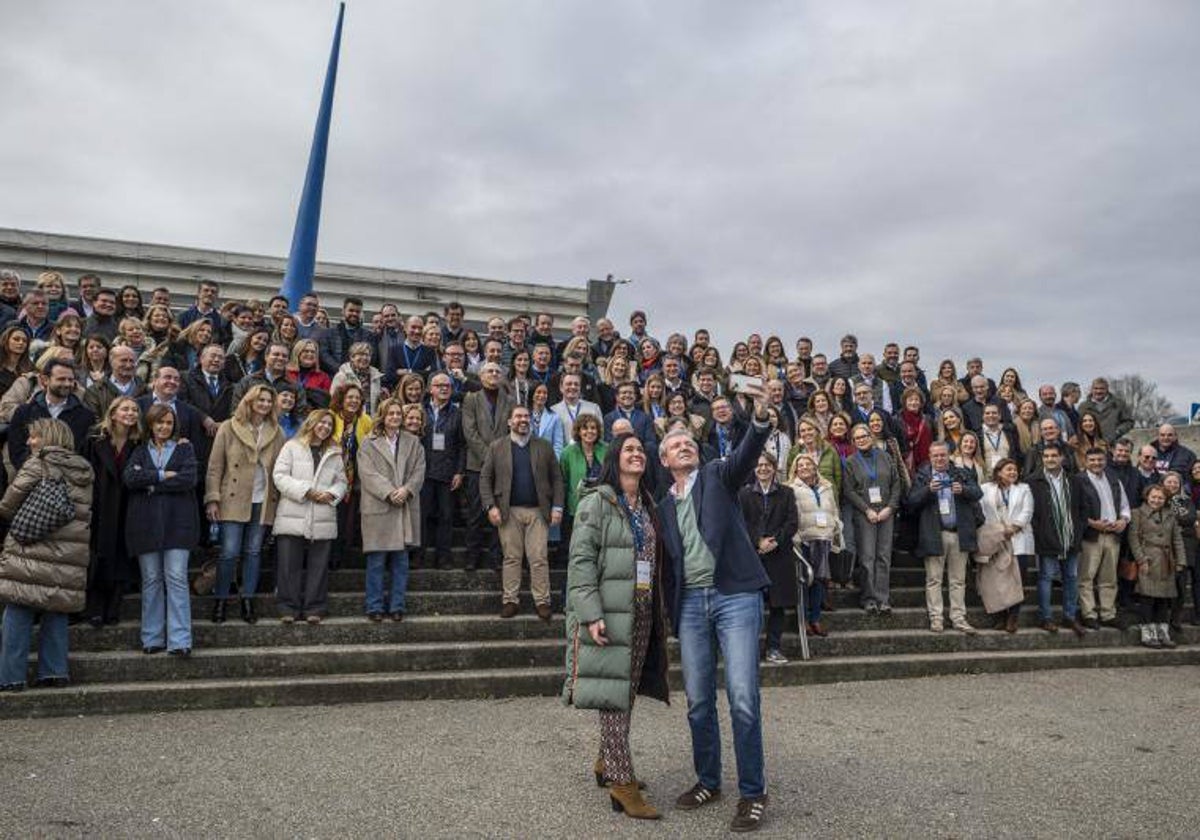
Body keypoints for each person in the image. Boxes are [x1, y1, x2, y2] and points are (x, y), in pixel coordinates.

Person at [657, 381, 771, 832]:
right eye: (674, 445)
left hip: (734, 596)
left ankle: (753, 792)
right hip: (690, 606)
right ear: (663, 461)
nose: (683, 446)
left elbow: (746, 453)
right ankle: (708, 780)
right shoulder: (663, 505)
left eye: (688, 442)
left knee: (743, 698)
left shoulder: (719, 476)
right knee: (699, 701)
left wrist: (759, 418)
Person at [562, 432, 670, 820]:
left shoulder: (647, 504)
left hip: (641, 610)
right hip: (607, 613)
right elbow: (581, 562)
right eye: (629, 449)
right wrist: (590, 614)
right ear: (615, 459)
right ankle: (622, 783)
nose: (637, 454)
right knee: (613, 696)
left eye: (641, 450)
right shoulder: (597, 502)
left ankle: (607, 760)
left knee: (624, 693)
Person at [0, 418, 94, 691]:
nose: (29, 442)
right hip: (69, 554)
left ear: (48, 437)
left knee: (18, 610)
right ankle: (54, 673)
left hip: (30, 549)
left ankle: (11, 677)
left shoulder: (37, 463)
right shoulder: (84, 469)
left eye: (34, 437)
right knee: (57, 610)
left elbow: (8, 504)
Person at [123, 404, 199, 656]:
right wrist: (162, 476)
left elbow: (188, 479)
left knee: (176, 578)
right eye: (160, 422)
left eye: (169, 423)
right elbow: (130, 479)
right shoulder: (138, 450)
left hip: (178, 524)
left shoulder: (184, 448)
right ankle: (152, 638)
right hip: (145, 524)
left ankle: (180, 640)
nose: (164, 427)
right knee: (152, 580)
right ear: (151, 424)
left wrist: (152, 482)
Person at [205, 385, 285, 624]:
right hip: (232, 497)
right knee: (229, 552)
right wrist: (212, 498)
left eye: (269, 401)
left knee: (253, 552)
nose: (264, 404)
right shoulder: (229, 427)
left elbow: (281, 466)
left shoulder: (276, 431)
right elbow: (215, 466)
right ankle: (220, 600)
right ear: (249, 401)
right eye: (260, 400)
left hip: (263, 499)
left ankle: (247, 600)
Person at [480, 404, 564, 620]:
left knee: (538, 558)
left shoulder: (543, 447)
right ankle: (510, 600)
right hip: (508, 511)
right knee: (511, 558)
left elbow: (556, 478)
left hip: (538, 511)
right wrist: (490, 506)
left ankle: (542, 601)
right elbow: (485, 479)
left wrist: (557, 506)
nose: (523, 420)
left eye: (526, 416)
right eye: (518, 416)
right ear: (509, 421)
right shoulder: (497, 447)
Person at [272, 409, 347, 624]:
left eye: (329, 425)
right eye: (321, 422)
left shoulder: (334, 452)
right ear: (311, 423)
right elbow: (279, 476)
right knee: (288, 563)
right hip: (293, 513)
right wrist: (306, 491)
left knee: (319, 564)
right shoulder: (292, 446)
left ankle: (315, 607)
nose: (325, 427)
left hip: (323, 513)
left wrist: (332, 493)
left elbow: (342, 481)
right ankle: (288, 607)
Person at [358, 397, 425, 621]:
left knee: (401, 562)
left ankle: (397, 606)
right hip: (379, 505)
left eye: (398, 414)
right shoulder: (369, 442)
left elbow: (419, 470)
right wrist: (389, 492)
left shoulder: (413, 442)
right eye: (391, 414)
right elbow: (367, 474)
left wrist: (406, 490)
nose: (395, 417)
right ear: (383, 416)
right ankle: (374, 607)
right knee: (376, 562)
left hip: (404, 505)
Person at [908, 441, 982, 634]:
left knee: (958, 580)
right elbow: (911, 501)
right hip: (934, 534)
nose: (939, 459)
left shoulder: (960, 473)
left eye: (943, 455)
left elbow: (978, 493)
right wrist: (927, 490)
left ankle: (958, 618)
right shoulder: (923, 476)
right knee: (934, 579)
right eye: (935, 456)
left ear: (948, 456)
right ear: (930, 458)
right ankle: (936, 618)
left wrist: (963, 490)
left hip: (959, 533)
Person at [84, 396, 141, 627]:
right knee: (99, 555)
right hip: (100, 505)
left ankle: (114, 607)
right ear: (114, 412)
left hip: (128, 506)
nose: (131, 413)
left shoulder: (139, 443)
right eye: (125, 409)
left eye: (135, 410)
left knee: (121, 557)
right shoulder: (94, 439)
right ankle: (95, 608)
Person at [738, 452, 798, 665]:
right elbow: (740, 523)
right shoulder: (743, 494)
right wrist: (757, 542)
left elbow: (792, 523)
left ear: (774, 468)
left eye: (767, 465)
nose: (762, 468)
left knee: (777, 606)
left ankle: (773, 648)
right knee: (750, 606)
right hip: (752, 557)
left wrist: (774, 542)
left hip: (779, 556)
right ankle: (750, 650)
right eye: (759, 465)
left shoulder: (787, 493)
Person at [844, 422, 903, 615]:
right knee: (867, 557)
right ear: (853, 441)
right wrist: (866, 509)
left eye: (864, 436)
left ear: (871, 436)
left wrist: (890, 507)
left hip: (886, 512)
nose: (861, 440)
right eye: (857, 438)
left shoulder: (885, 457)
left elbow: (896, 484)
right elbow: (849, 490)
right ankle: (868, 598)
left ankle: (883, 599)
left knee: (883, 557)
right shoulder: (851, 461)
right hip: (864, 514)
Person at [461, 362, 516, 570]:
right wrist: (489, 458)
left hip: (503, 465)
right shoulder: (471, 399)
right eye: (489, 371)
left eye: (497, 372)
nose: (494, 374)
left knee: (500, 513)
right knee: (476, 513)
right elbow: (469, 432)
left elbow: (514, 430)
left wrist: (498, 459)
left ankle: (497, 557)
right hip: (477, 465)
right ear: (481, 376)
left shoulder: (510, 401)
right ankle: (471, 557)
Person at [1028, 443, 1086, 636]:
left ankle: (1069, 616)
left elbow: (1082, 509)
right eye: (1046, 456)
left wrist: (1078, 532)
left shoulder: (1074, 480)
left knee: (1071, 577)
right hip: (1047, 538)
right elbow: (1032, 514)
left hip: (1070, 537)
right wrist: (1040, 533)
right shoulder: (1033, 481)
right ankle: (1046, 617)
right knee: (1046, 578)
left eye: (1054, 455)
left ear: (1062, 458)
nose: (1050, 459)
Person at [789, 453, 842, 639]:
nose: (804, 467)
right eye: (800, 465)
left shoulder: (827, 487)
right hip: (803, 540)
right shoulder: (791, 488)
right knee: (804, 581)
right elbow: (791, 516)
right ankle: (802, 620)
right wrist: (795, 538)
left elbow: (834, 510)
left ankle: (815, 619)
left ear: (814, 467)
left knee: (820, 580)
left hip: (824, 539)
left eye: (807, 464)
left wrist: (835, 527)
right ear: (795, 469)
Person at [1078, 447, 1131, 630]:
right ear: (1085, 461)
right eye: (1092, 460)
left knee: (1109, 578)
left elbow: (1124, 504)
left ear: (1105, 461)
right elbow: (1074, 510)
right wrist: (1091, 523)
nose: (1096, 463)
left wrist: (1123, 520)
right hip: (1091, 535)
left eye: (1100, 460)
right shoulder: (1079, 481)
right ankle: (1089, 613)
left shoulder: (1114, 479)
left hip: (1112, 534)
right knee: (1086, 577)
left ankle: (1108, 614)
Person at [978, 458, 1034, 632]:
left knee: (1018, 579)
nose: (1012, 472)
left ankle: (1013, 617)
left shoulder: (1024, 489)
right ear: (999, 472)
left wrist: (1013, 528)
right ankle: (1000, 617)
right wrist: (998, 531)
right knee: (998, 581)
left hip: (1018, 538)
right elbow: (981, 512)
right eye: (1008, 469)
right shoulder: (985, 489)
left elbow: (1027, 511)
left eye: (1015, 470)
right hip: (997, 540)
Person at [1129, 484, 1185, 648]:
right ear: (1147, 496)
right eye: (1153, 497)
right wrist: (1141, 560)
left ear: (1165, 499)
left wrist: (1180, 561)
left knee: (1163, 599)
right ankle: (1148, 633)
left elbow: (1177, 540)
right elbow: (1134, 539)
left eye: (1160, 498)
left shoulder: (1171, 515)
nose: (1156, 500)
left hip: (1167, 561)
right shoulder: (1137, 513)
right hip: (1148, 560)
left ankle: (1163, 632)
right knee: (1147, 597)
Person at [419, 372, 465, 570]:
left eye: (447, 385)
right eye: (439, 385)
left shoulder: (457, 413)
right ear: (431, 389)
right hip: (423, 472)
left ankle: (443, 558)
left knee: (446, 516)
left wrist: (459, 472)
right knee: (422, 515)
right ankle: (418, 555)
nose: (444, 388)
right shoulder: (421, 410)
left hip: (448, 473)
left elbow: (463, 445)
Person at [330, 341, 384, 416]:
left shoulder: (376, 376)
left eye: (367, 355)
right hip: (349, 420)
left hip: (370, 420)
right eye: (361, 354)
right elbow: (334, 401)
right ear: (352, 357)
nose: (364, 358)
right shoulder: (342, 376)